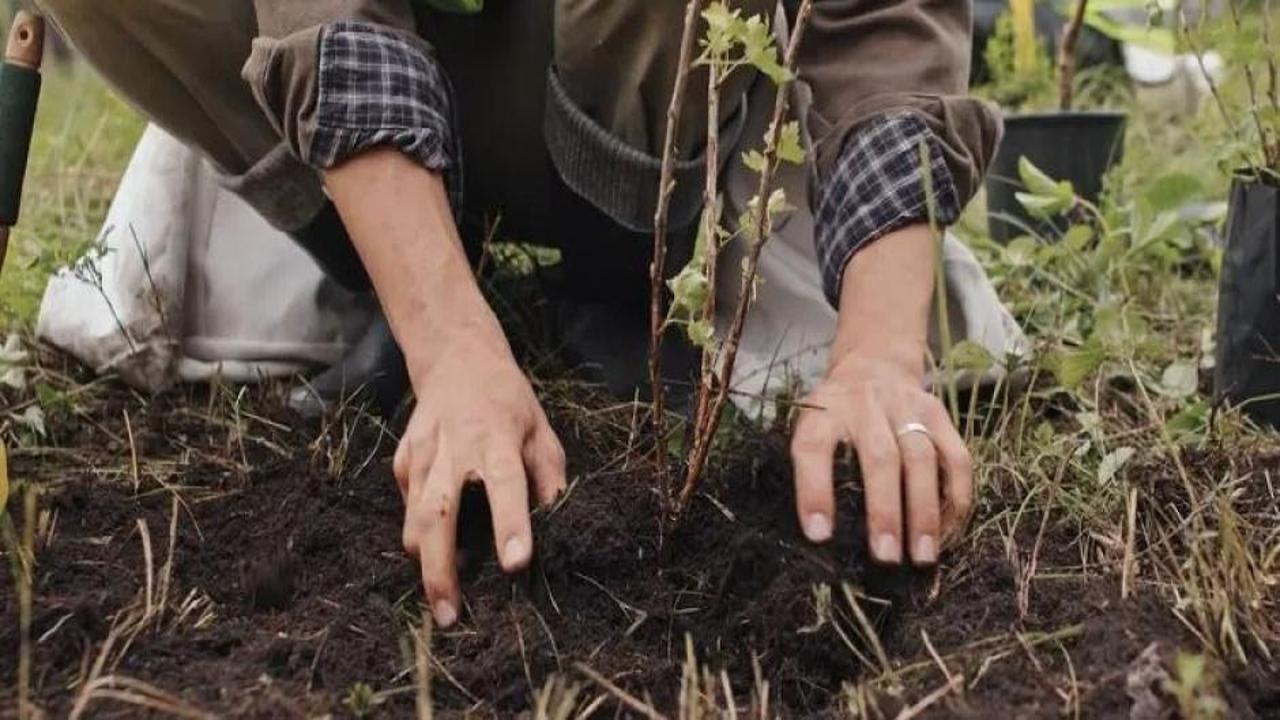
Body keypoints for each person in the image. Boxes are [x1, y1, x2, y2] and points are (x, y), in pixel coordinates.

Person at [34, 0, 1013, 629]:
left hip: (646, 83)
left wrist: (880, 355)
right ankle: (396, 270)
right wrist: (448, 346)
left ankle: (612, 281)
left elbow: (883, 24)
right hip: (398, 61)